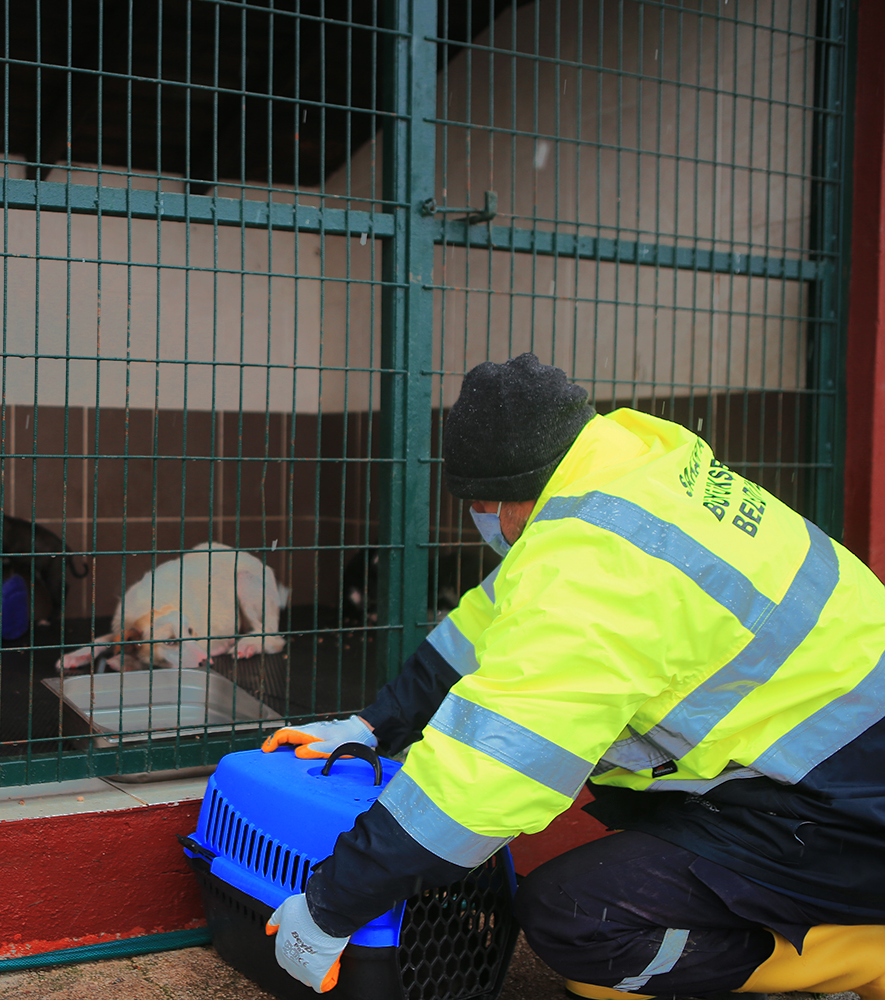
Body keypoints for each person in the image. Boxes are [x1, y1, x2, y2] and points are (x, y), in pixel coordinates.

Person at [262, 354, 885, 997]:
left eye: (479, 504)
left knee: (580, 922)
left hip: (848, 813)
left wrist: (330, 905)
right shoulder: (627, 476)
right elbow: (485, 627)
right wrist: (371, 725)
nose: (481, 521)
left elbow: (488, 774)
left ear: (509, 496)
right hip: (831, 773)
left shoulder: (593, 568)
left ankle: (864, 952)